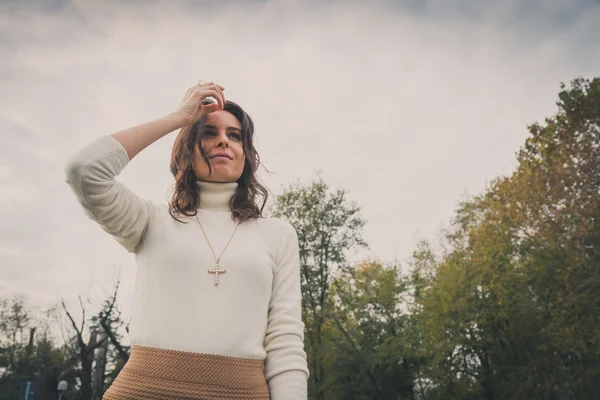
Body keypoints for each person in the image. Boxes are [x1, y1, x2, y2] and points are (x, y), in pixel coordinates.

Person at [64, 81, 309, 399]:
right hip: (144, 390)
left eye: (234, 136)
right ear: (187, 149)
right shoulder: (149, 222)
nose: (223, 141)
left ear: (245, 155)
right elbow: (84, 170)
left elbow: (285, 340)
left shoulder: (278, 235)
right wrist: (178, 118)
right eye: (208, 132)